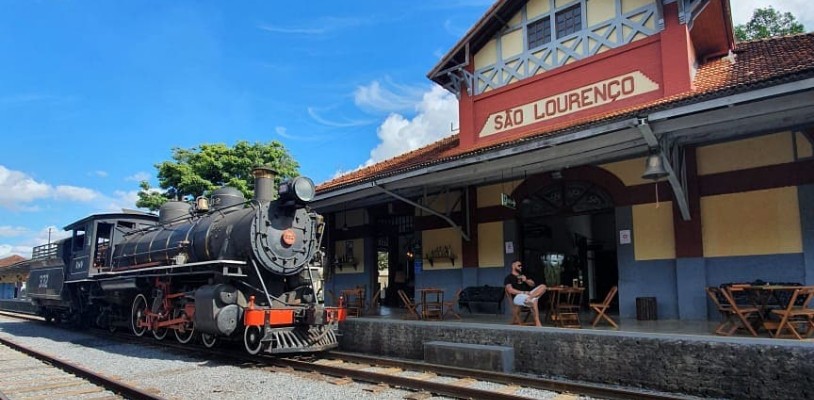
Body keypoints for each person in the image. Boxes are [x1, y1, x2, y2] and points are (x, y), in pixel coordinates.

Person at [504, 260, 547, 326]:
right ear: (513, 266)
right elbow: (510, 290)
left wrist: (526, 280)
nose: (520, 267)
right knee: (534, 300)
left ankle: (529, 298)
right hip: (517, 296)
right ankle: (537, 322)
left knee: (543, 286)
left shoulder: (523, 276)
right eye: (519, 266)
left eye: (521, 266)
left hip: (529, 295)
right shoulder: (508, 278)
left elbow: (532, 284)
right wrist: (523, 292)